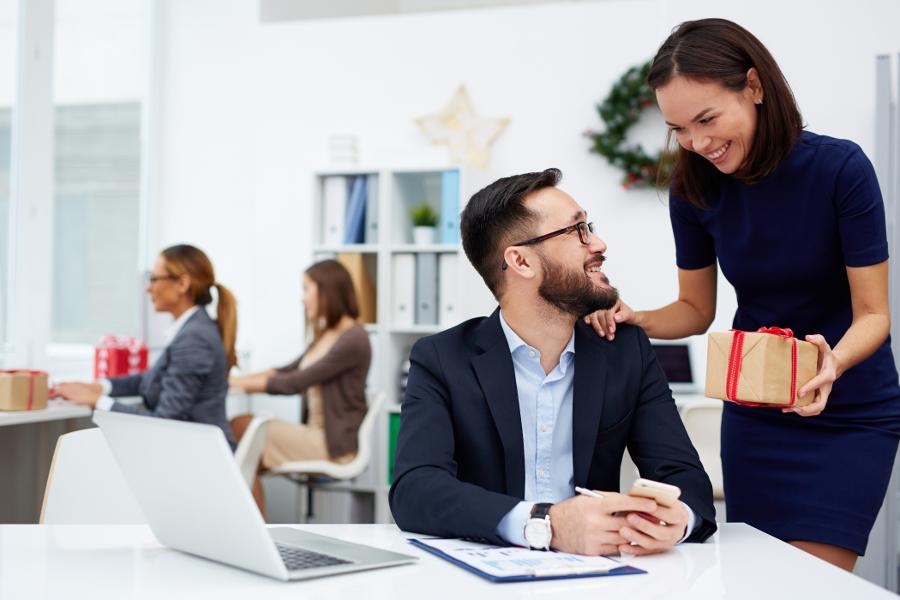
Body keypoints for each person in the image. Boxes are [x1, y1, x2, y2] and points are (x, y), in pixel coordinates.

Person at [585, 18, 900, 571]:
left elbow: (874, 315)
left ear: (754, 87)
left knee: (810, 580)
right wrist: (638, 317)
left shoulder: (839, 169)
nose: (697, 143)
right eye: (679, 129)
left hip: (848, 411)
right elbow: (694, 310)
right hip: (756, 412)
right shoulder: (693, 189)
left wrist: (833, 363)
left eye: (707, 119)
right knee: (757, 576)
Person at [390, 168, 716, 556]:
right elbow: (415, 490)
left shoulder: (625, 350)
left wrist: (678, 520)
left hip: (600, 574)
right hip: (481, 569)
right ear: (521, 261)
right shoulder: (442, 358)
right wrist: (544, 524)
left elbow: (686, 482)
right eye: (578, 231)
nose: (598, 243)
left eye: (589, 227)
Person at [54, 244, 238, 447]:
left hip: (202, 454)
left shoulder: (194, 338)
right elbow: (148, 380)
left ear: (182, 284)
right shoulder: (193, 329)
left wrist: (98, 401)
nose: (148, 288)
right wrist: (101, 386)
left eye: (154, 279)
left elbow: (165, 421)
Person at [229, 259, 371, 515]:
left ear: (327, 291)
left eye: (306, 289)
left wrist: (234, 384)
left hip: (332, 445)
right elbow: (284, 371)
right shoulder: (327, 334)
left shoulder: (354, 338)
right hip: (315, 435)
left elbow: (294, 383)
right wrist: (235, 380)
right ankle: (253, 528)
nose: (302, 299)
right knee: (244, 452)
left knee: (241, 428)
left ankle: (255, 529)